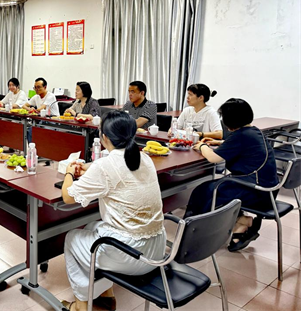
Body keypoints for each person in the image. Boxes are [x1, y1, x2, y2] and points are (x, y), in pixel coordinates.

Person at [60, 111, 165, 311]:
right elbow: (117, 169)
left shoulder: (105, 165)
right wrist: (90, 168)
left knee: (72, 238)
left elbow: (68, 196)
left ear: (104, 137)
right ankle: (106, 297)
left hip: (132, 255)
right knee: (92, 226)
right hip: (157, 249)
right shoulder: (144, 158)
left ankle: (81, 305)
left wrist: (69, 173)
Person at [186, 98, 277, 252]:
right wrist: (221, 143)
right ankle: (241, 223)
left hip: (255, 191)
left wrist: (202, 146)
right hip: (268, 189)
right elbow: (242, 146)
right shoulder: (254, 131)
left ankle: (194, 236)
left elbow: (213, 158)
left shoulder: (241, 136)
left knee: (204, 191)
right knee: (219, 186)